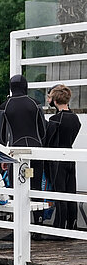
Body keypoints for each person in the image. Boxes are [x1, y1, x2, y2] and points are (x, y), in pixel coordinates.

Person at [0, 74, 47, 241]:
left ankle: (18, 228)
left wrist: (5, 157)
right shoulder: (35, 104)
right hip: (35, 152)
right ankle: (38, 227)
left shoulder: (6, 106)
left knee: (17, 189)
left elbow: (2, 134)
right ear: (25, 86)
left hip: (16, 154)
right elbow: (43, 130)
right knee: (35, 187)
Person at [44, 84, 81, 231]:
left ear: (55, 99)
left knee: (59, 194)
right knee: (71, 193)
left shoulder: (55, 119)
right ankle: (72, 225)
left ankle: (59, 228)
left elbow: (48, 142)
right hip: (70, 157)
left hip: (57, 159)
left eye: (50, 97)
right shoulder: (75, 118)